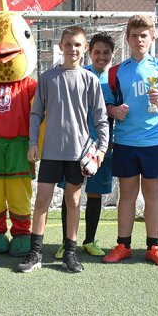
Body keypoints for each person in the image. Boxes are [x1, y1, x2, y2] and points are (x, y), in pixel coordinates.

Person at [16, 26, 109, 274]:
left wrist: (102, 148)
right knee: (42, 201)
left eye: (78, 45)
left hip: (78, 153)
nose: (72, 49)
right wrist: (33, 143)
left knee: (74, 200)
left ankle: (70, 253)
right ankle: (35, 252)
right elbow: (36, 113)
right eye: (68, 44)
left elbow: (101, 118)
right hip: (51, 152)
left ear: (85, 48)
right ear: (60, 46)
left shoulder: (90, 80)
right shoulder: (48, 78)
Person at [102, 15, 158, 266]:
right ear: (127, 39)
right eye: (134, 35)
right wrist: (114, 111)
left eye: (144, 35)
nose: (139, 40)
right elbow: (106, 106)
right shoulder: (116, 72)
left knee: (153, 195)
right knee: (126, 195)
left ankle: (154, 247)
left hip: (154, 142)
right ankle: (123, 245)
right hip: (125, 141)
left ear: (152, 38)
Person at [55, 32, 115, 259]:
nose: (101, 57)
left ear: (113, 54)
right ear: (89, 52)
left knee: (95, 193)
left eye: (106, 53)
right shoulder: (79, 73)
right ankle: (66, 242)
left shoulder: (115, 79)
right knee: (70, 194)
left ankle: (89, 240)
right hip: (74, 146)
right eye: (97, 52)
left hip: (101, 147)